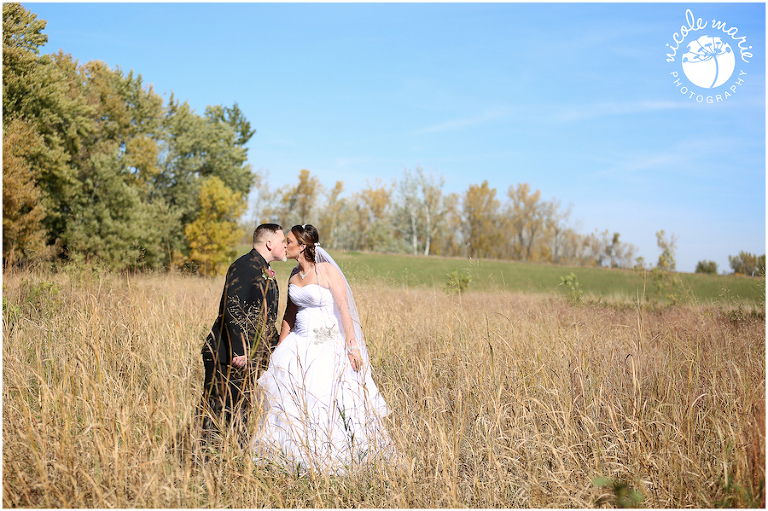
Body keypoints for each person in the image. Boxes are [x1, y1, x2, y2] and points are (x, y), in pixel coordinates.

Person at [251, 224, 393, 474]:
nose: (285, 244)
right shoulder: (293, 275)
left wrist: (352, 346)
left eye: (289, 241)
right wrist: (280, 348)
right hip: (298, 343)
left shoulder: (326, 271)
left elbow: (344, 309)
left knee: (326, 398)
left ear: (302, 245)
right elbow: (289, 314)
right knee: (291, 398)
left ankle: (333, 456)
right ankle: (292, 455)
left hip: (326, 344)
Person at [197, 223, 287, 445]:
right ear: (269, 243)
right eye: (282, 240)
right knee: (215, 414)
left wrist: (276, 346)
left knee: (240, 412)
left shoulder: (262, 268)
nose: (285, 245)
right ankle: (201, 463)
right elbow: (232, 308)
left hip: (250, 357)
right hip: (228, 355)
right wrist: (240, 349)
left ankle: (234, 461)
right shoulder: (245, 266)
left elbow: (264, 318)